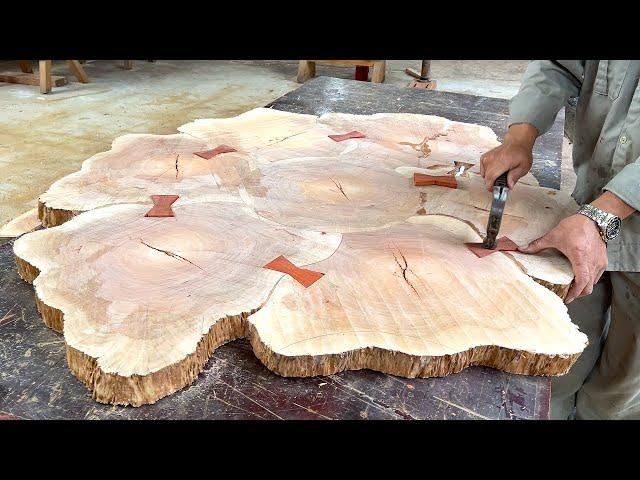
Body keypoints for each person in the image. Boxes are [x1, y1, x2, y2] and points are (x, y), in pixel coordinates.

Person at [479, 61, 640, 420]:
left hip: (617, 222)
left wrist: (606, 212)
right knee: (557, 364)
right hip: (584, 208)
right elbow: (557, 65)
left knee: (618, 390)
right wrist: (519, 138)